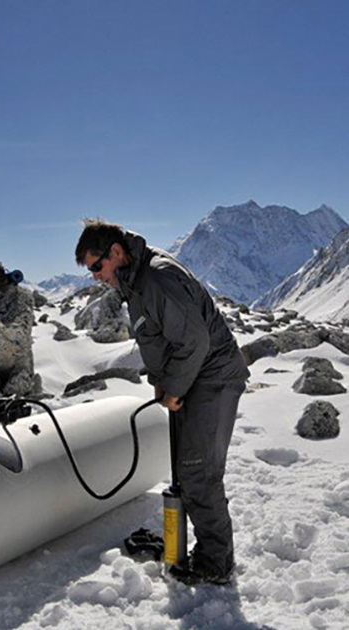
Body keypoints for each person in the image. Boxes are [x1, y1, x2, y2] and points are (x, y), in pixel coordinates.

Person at [75, 218, 250, 585]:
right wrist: (161, 383)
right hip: (193, 378)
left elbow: (193, 342)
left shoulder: (156, 277)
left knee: (199, 473)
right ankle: (188, 547)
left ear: (116, 252)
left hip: (213, 377)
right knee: (187, 471)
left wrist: (174, 389)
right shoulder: (134, 280)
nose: (94, 276)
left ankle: (216, 563)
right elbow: (157, 339)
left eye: (96, 266)